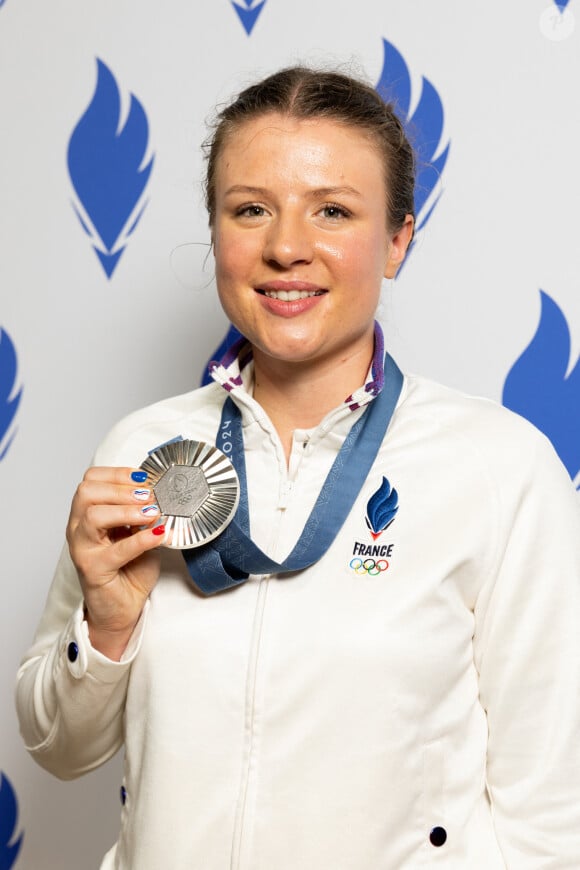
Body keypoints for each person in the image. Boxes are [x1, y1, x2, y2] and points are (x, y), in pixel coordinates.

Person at [16, 67, 580, 869]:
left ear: (397, 241)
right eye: (251, 209)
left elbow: (553, 811)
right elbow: (58, 748)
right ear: (216, 232)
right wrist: (107, 624)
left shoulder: (500, 468)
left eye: (333, 211)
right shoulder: (142, 449)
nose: (286, 247)